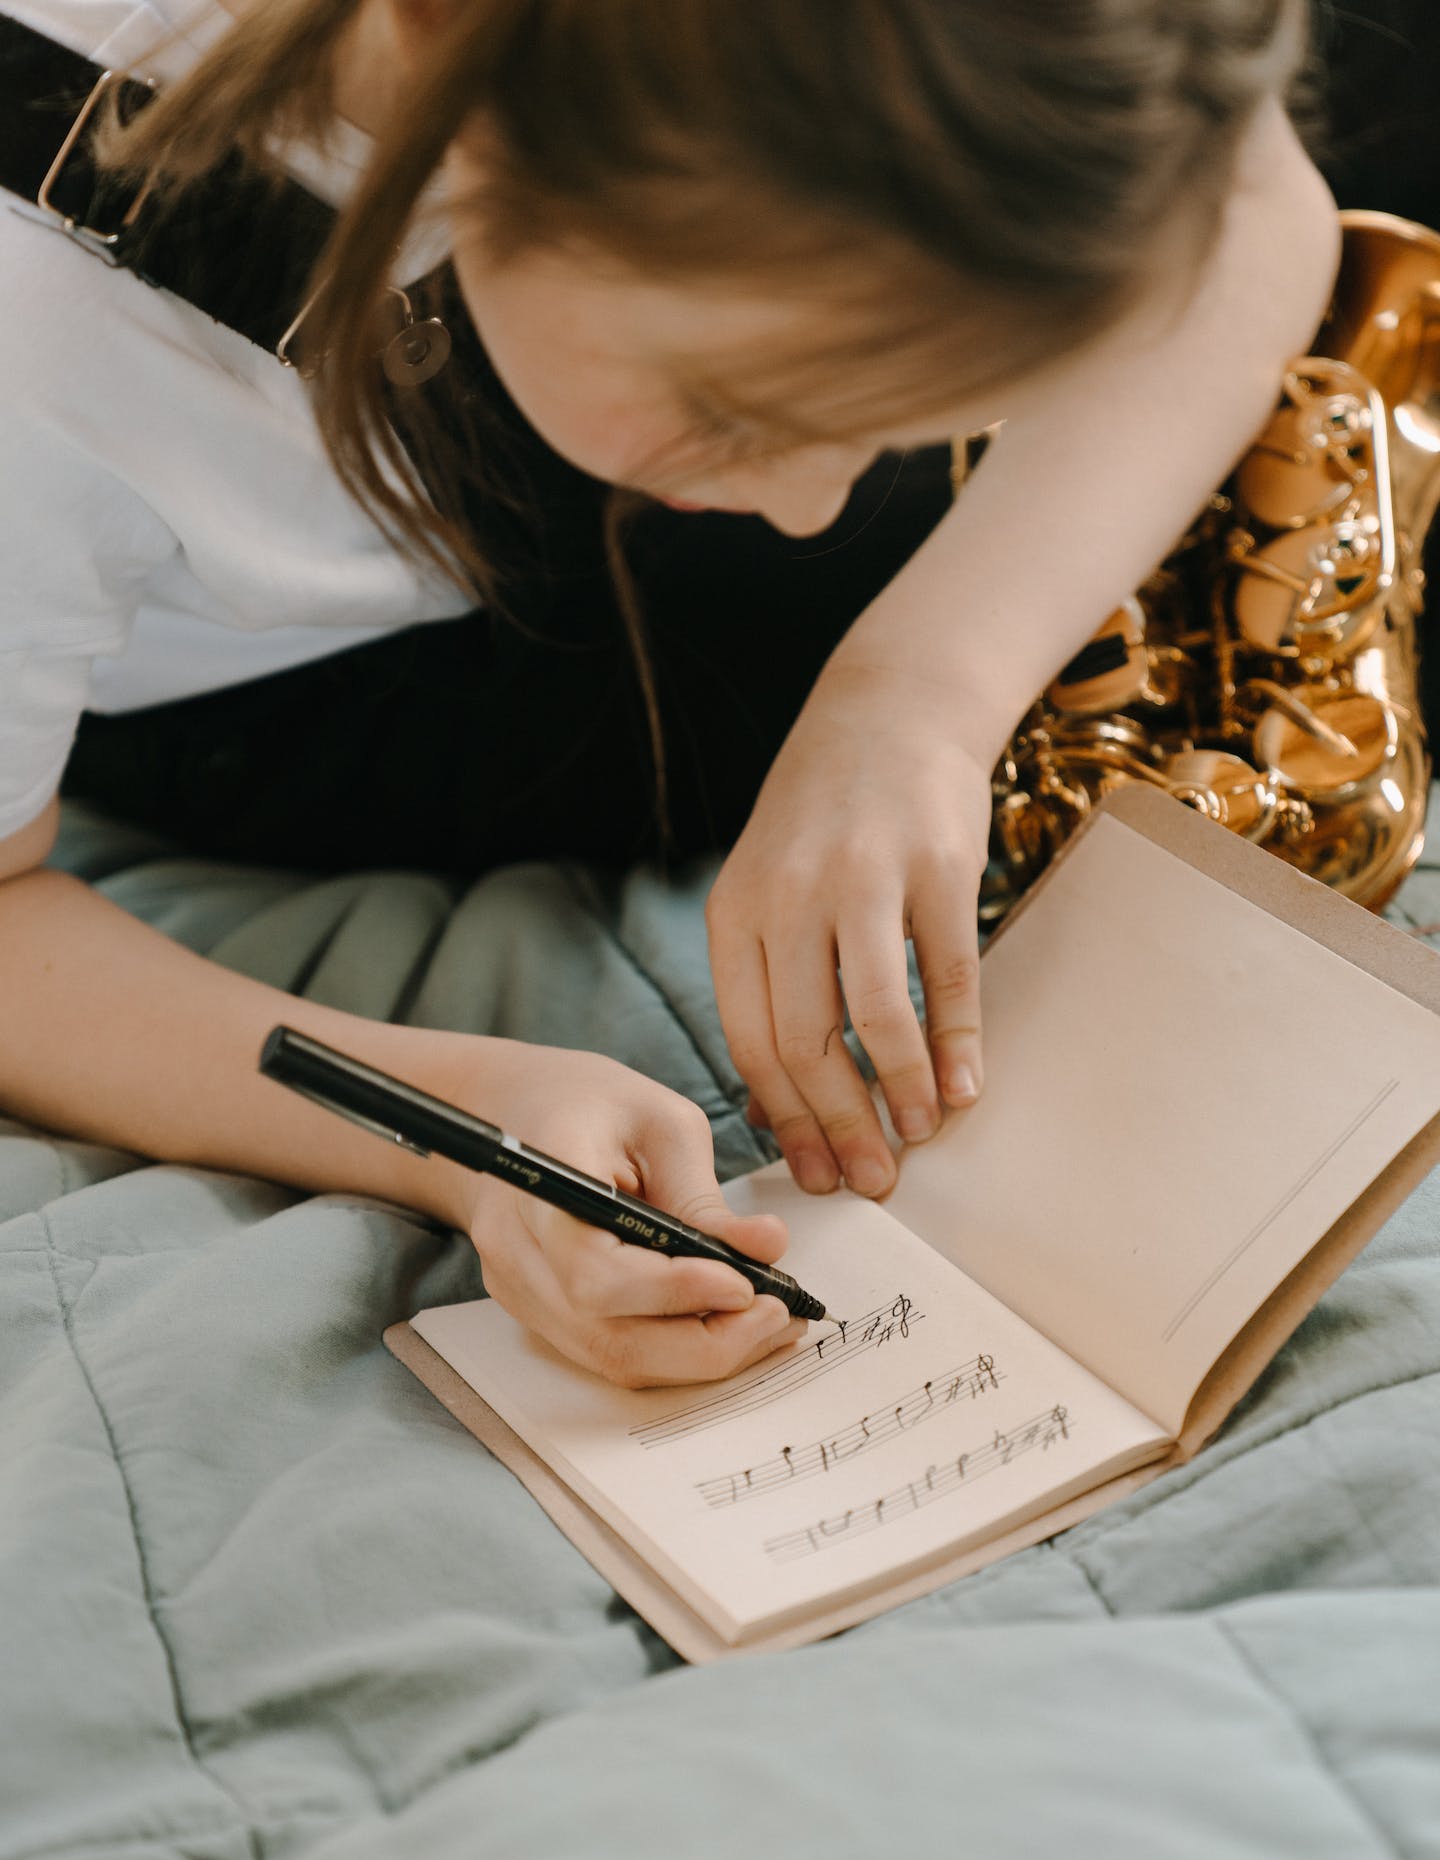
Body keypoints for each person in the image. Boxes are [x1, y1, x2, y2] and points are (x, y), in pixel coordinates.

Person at [0, 0, 1338, 1385]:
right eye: (740, 411)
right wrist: (461, 1122)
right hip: (306, 679)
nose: (814, 508)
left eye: (889, 428)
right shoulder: (30, 354)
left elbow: (1252, 193)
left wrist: (916, 697)